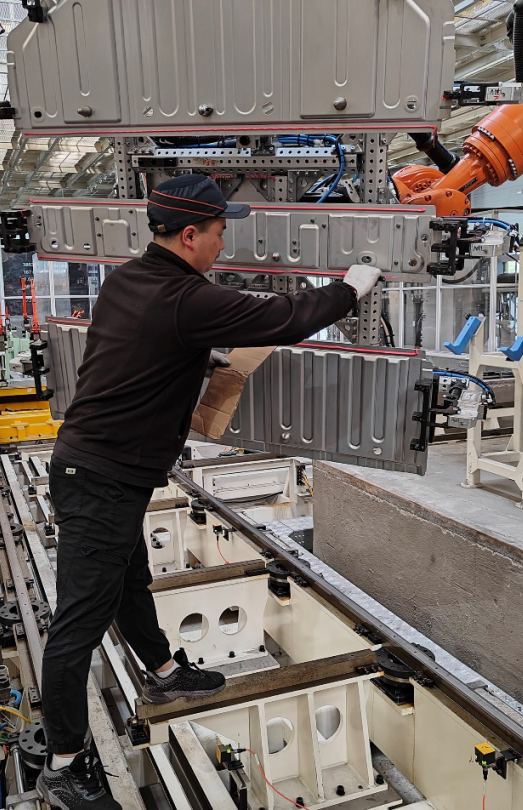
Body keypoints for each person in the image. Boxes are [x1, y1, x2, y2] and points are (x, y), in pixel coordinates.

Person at [37, 174, 382, 809]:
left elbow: (147, 347)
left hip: (106, 473)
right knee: (78, 624)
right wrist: (350, 288)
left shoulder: (127, 280)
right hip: (100, 479)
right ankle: (63, 764)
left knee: (129, 581)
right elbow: (282, 317)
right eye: (221, 232)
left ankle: (165, 673)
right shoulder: (186, 298)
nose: (225, 244)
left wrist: (199, 362)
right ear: (190, 235)